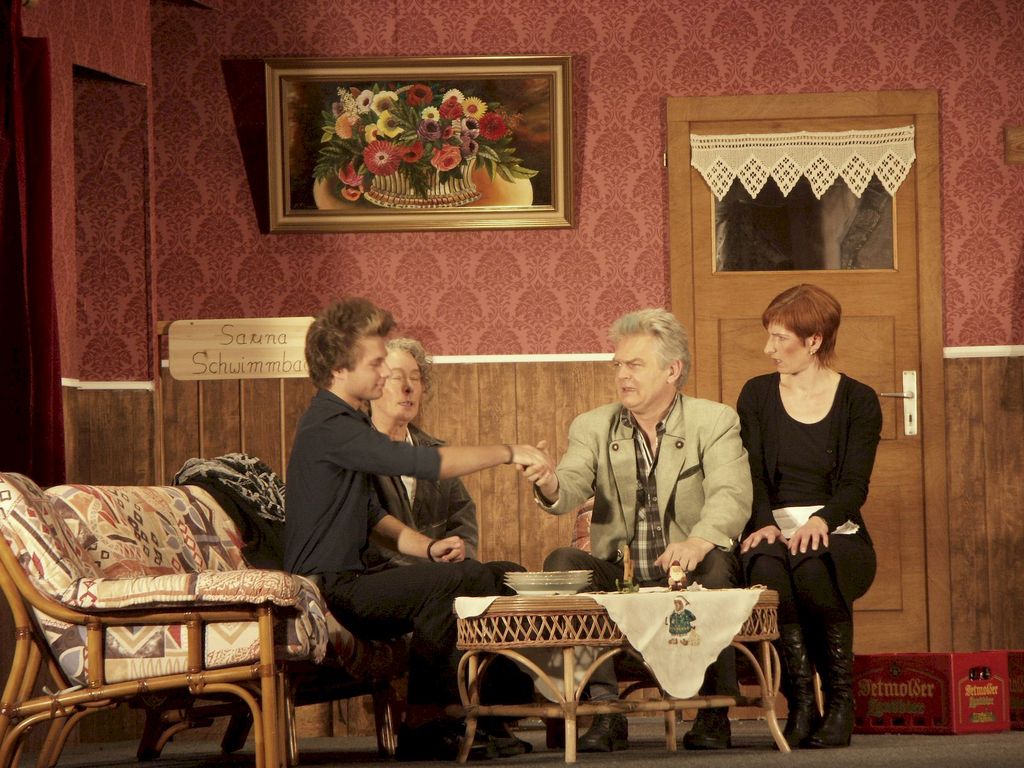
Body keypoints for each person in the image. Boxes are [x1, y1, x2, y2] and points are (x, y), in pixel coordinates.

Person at [285, 298, 551, 761]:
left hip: (352, 581)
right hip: (329, 587)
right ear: (340, 369)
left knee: (494, 575)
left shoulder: (344, 420)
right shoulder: (330, 425)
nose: (384, 374)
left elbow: (373, 519)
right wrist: (509, 451)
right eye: (375, 364)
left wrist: (429, 549)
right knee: (460, 580)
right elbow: (427, 464)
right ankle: (426, 722)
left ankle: (488, 714)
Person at [523, 308, 752, 752]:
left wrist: (699, 540)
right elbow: (570, 484)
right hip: (622, 574)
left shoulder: (714, 421)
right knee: (562, 562)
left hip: (687, 568)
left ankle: (714, 711)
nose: (622, 375)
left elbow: (731, 493)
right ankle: (605, 710)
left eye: (635, 365)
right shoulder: (593, 425)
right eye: (618, 365)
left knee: (718, 563)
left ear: (672, 370)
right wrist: (549, 482)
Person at [366, 336, 533, 757]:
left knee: (510, 577)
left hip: (441, 569)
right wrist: (432, 559)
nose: (408, 388)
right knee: (449, 587)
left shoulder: (434, 452)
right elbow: (364, 529)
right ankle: (430, 721)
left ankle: (494, 714)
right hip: (381, 577)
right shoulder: (358, 452)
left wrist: (462, 549)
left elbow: (462, 514)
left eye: (416, 378)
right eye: (396, 377)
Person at [737, 284, 882, 749]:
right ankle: (801, 703)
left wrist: (820, 521)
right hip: (771, 524)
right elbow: (752, 475)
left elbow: (854, 486)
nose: (768, 348)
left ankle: (840, 703)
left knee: (814, 564)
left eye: (780, 338)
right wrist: (763, 522)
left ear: (814, 340)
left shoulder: (858, 400)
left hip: (836, 528)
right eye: (769, 336)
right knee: (767, 569)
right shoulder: (756, 394)